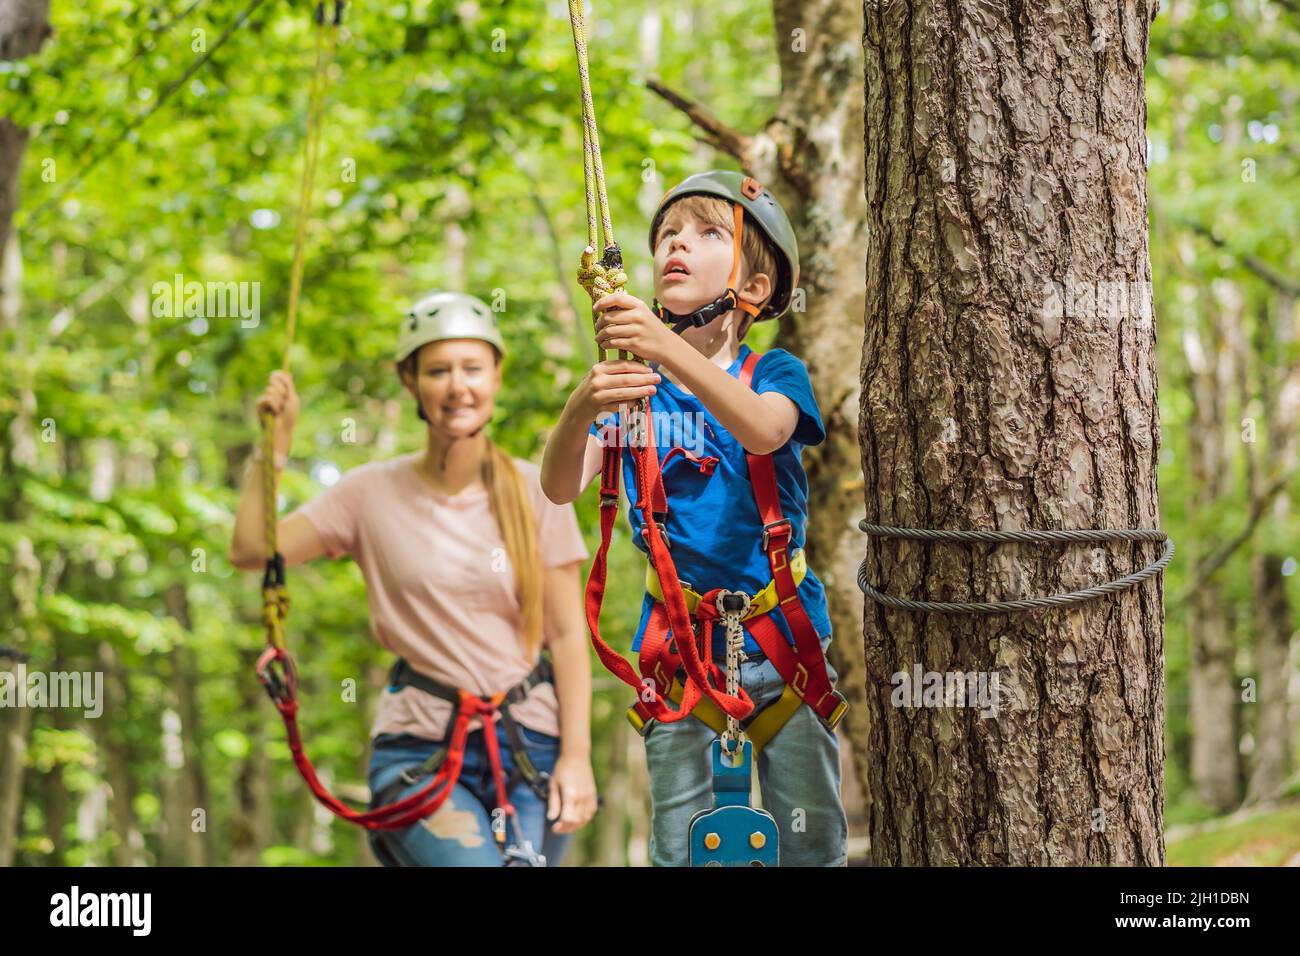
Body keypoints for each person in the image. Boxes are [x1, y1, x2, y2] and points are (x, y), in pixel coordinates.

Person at [541, 170, 848, 867]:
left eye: (709, 234)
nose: (678, 245)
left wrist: (661, 347)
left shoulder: (772, 373)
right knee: (680, 848)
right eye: (668, 236)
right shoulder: (633, 397)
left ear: (755, 291)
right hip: (679, 658)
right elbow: (560, 485)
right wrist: (585, 405)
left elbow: (766, 432)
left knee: (813, 844)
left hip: (784, 642)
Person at [229, 291, 598, 866]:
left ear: (497, 376)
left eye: (473, 369)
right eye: (438, 371)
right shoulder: (368, 494)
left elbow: (569, 636)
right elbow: (254, 549)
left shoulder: (540, 489)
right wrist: (273, 449)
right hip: (420, 745)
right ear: (410, 382)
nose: (458, 386)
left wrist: (577, 757)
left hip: (532, 747)